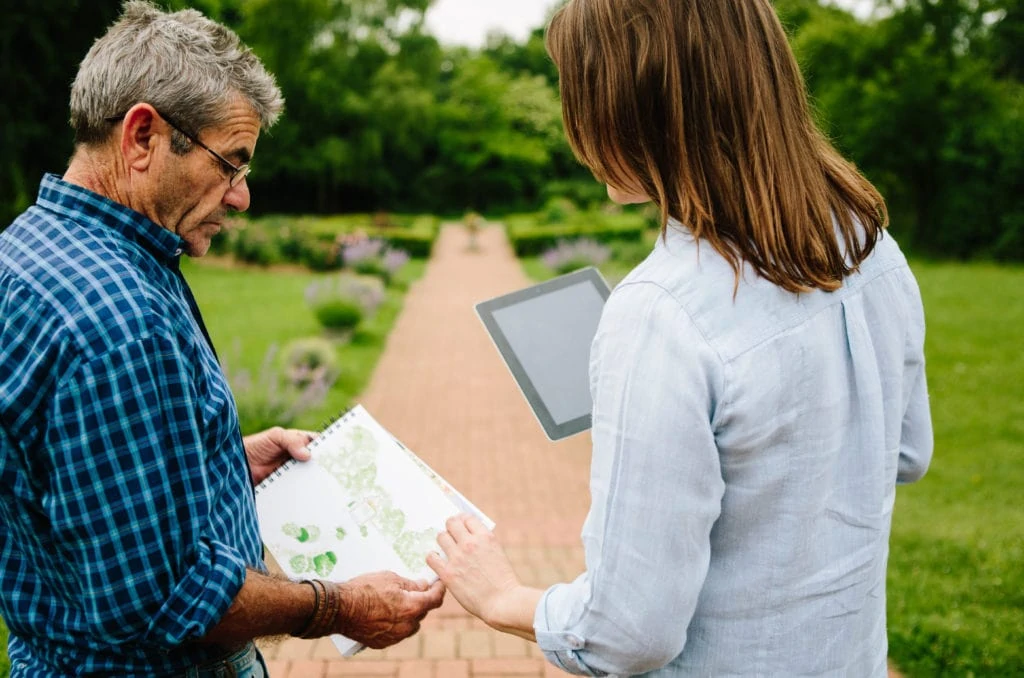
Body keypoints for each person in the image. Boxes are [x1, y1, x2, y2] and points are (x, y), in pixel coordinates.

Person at [427, 1, 933, 676]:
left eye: (579, 92)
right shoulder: (868, 246)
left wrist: (501, 598)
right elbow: (905, 450)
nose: (571, 121)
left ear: (636, 107)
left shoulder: (660, 314)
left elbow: (628, 634)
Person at [0, 3, 443, 676]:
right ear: (142, 136)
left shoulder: (28, 251)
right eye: (231, 163)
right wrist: (338, 605)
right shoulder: (119, 319)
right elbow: (170, 597)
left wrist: (222, 462)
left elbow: (68, 483)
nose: (240, 197)